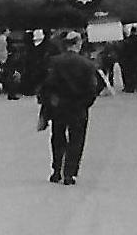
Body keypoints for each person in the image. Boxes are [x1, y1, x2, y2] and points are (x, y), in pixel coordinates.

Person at [38, 30, 105, 186]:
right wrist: (85, 103)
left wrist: (48, 103)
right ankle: (70, 173)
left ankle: (56, 171)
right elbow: (93, 87)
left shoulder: (53, 61)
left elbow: (46, 85)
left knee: (58, 138)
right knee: (76, 140)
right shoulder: (87, 64)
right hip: (78, 107)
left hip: (58, 106)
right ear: (78, 43)